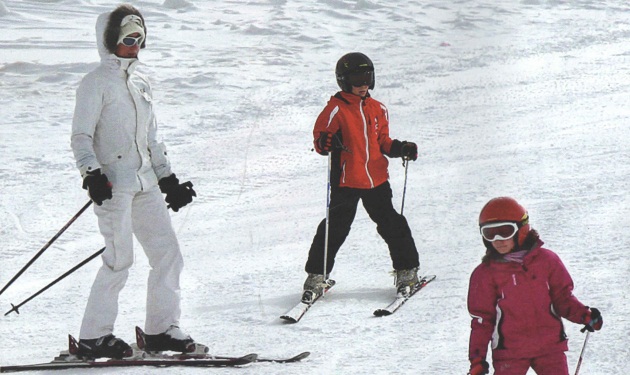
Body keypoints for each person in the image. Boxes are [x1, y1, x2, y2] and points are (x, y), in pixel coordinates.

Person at [70, 4, 199, 359]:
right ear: (111, 40)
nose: (135, 46)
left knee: (168, 254)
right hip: (114, 186)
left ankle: (161, 330)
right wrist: (91, 174)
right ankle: (93, 336)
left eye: (140, 39)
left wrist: (168, 179)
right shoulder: (95, 83)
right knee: (119, 260)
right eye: (128, 39)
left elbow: (152, 140)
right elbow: (81, 136)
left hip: (146, 185)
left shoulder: (141, 82)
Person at [301, 52, 420, 303]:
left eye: (367, 77)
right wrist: (326, 142)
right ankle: (316, 275)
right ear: (344, 80)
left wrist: (401, 149)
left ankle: (407, 271)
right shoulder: (335, 109)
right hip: (347, 180)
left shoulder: (378, 108)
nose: (363, 83)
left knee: (392, 224)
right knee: (335, 228)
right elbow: (321, 142)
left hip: (376, 180)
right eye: (357, 78)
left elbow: (383, 142)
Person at [467, 197, 603, 375]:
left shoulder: (547, 262)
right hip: (509, 353)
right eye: (490, 233)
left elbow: (563, 298)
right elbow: (482, 321)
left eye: (505, 231)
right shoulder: (485, 274)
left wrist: (584, 315)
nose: (498, 240)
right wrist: (477, 360)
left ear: (521, 229)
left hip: (549, 348)